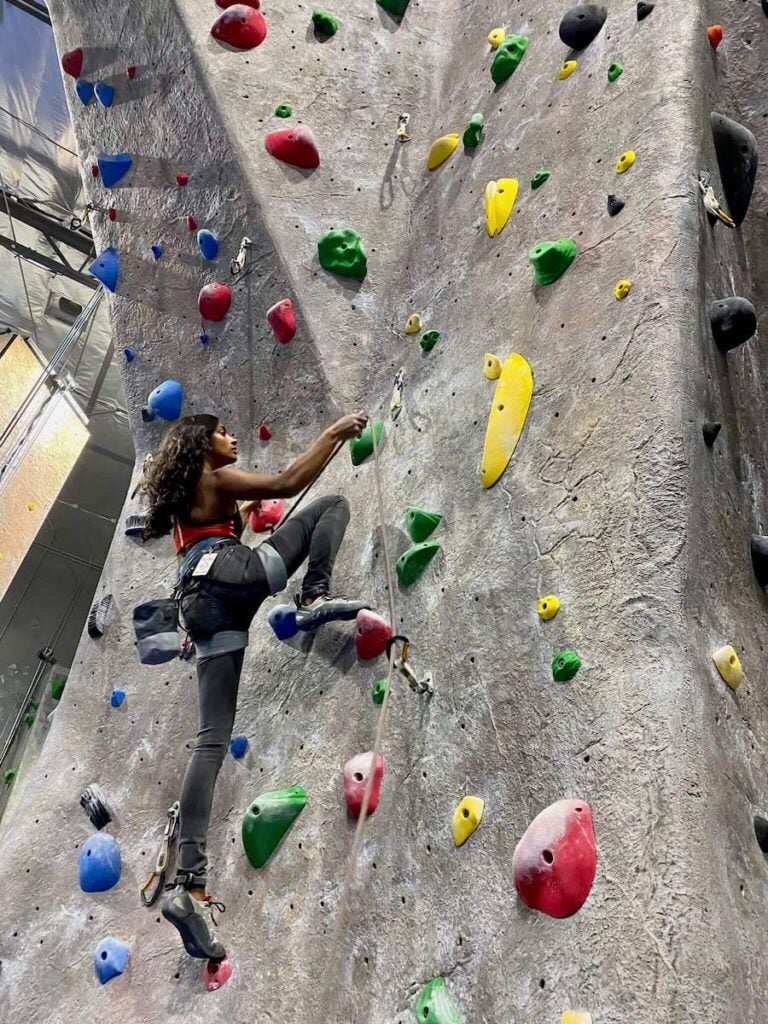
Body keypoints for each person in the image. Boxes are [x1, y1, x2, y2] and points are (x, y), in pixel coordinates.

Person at [140, 411, 370, 961]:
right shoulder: (214, 477)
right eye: (222, 432)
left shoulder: (183, 508)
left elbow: (214, 538)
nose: (233, 437)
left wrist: (241, 521)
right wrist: (333, 432)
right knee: (331, 508)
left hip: (198, 608)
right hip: (231, 578)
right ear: (201, 444)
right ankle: (313, 595)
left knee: (210, 740)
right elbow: (291, 482)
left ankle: (188, 883)